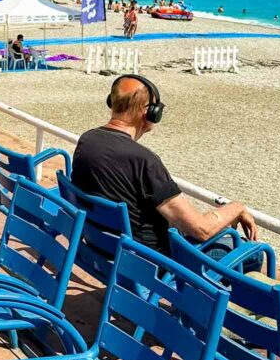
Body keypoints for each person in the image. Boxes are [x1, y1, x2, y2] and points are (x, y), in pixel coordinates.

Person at [72, 74, 256, 252]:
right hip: (148, 262)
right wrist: (237, 207)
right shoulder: (144, 161)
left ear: (112, 103)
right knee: (254, 253)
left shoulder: (87, 140)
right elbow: (201, 229)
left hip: (100, 246)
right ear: (149, 113)